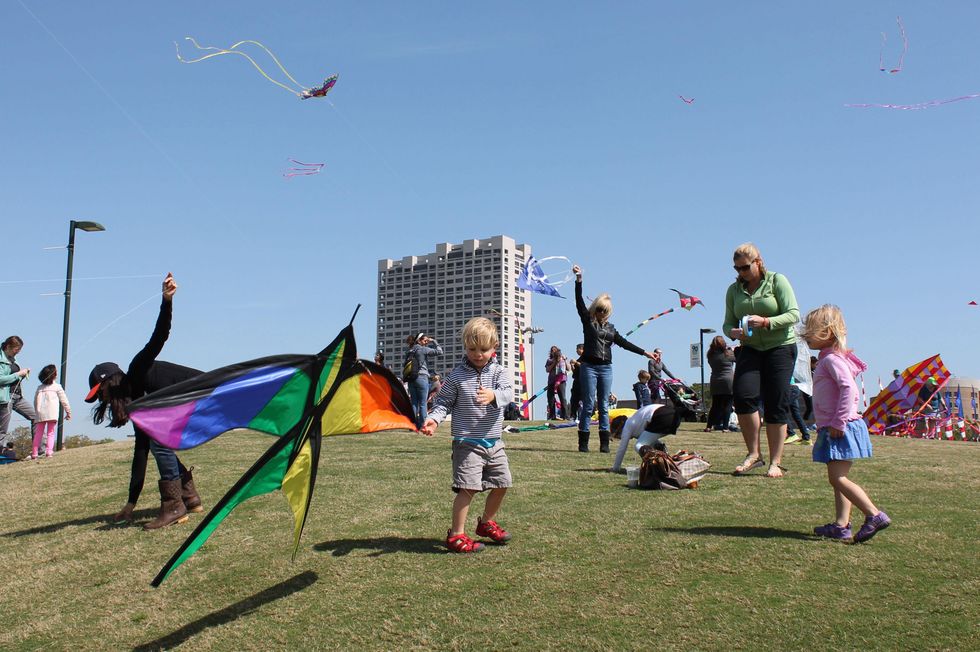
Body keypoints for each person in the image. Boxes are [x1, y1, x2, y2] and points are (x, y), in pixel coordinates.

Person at [87, 273, 204, 529]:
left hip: (204, 394)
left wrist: (167, 300)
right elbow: (140, 453)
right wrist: (131, 503)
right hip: (192, 404)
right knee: (152, 441)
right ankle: (189, 497)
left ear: (109, 383)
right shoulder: (138, 407)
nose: (102, 399)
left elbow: (159, 336)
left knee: (158, 440)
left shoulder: (138, 368)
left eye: (100, 392)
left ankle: (174, 507)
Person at [422, 317, 514, 554]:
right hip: (467, 443)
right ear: (465, 346)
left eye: (483, 349)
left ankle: (486, 523)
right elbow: (443, 402)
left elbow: (508, 394)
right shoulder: (456, 376)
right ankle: (456, 535)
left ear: (494, 347)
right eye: (472, 349)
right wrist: (434, 419)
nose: (477, 354)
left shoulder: (500, 373)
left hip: (494, 442)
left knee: (502, 483)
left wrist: (494, 396)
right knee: (468, 488)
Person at [803, 304, 890, 543]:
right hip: (837, 425)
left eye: (811, 330)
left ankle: (874, 515)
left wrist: (838, 421)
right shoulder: (829, 358)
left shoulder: (832, 360)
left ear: (828, 332)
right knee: (837, 477)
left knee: (837, 478)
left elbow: (848, 389)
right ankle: (841, 525)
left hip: (841, 426)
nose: (806, 334)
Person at [723, 242, 799, 478]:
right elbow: (727, 323)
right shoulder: (733, 290)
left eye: (745, 267)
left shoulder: (777, 281)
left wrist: (766, 322)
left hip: (780, 347)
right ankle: (753, 454)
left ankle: (775, 462)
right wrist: (732, 332)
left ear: (758, 262)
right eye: (737, 268)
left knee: (777, 402)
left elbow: (794, 314)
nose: (741, 272)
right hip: (750, 348)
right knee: (743, 396)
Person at [573, 265, 656, 454]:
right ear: (595, 308)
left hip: (605, 368)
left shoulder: (611, 329)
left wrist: (645, 353)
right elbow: (578, 302)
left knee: (604, 405)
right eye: (599, 309)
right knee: (588, 404)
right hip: (589, 366)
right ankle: (583, 442)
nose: (601, 313)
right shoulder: (588, 321)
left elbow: (625, 343)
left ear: (608, 311)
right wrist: (579, 280)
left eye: (604, 310)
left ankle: (605, 443)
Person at [610, 401, 683, 472]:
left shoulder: (627, 426)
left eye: (618, 436)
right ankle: (666, 462)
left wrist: (616, 468)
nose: (620, 438)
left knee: (639, 445)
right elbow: (649, 437)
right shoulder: (635, 420)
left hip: (661, 416)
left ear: (619, 429)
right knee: (652, 443)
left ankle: (654, 467)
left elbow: (622, 449)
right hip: (674, 416)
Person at [404, 332, 442, 430]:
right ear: (419, 340)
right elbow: (439, 351)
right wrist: (433, 341)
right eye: (425, 340)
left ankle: (412, 426)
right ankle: (423, 425)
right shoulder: (423, 349)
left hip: (411, 378)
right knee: (423, 403)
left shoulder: (409, 351)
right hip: (422, 377)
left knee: (414, 402)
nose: (426, 342)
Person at [32, 365, 71, 459]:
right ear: (54, 375)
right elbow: (64, 400)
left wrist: (36, 411)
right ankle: (49, 452)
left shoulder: (40, 388)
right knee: (51, 432)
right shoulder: (57, 387)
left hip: (40, 413)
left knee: (38, 433)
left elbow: (35, 401)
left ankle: (34, 453)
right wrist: (68, 412)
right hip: (52, 413)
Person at [0, 336, 32, 448]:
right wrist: (18, 374)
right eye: (16, 349)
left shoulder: (13, 358)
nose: (18, 352)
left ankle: (39, 450)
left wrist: (23, 374)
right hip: (5, 397)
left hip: (18, 396)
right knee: (2, 429)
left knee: (36, 417)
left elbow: (14, 376)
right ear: (8, 346)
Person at [706, 335, 735, 432]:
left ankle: (709, 426)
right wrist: (732, 349)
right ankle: (725, 427)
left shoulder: (710, 355)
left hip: (715, 380)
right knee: (728, 405)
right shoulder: (728, 353)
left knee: (715, 405)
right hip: (728, 381)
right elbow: (736, 358)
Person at [544, 346, 568, 420]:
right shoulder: (549, 360)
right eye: (552, 350)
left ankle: (565, 415)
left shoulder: (562, 359)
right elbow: (547, 370)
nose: (553, 351)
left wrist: (564, 360)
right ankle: (552, 415)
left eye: (555, 350)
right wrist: (554, 362)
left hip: (561, 381)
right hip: (551, 381)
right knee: (550, 398)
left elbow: (568, 368)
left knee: (562, 397)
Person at [567, 344, 585, 421]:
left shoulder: (586, 358)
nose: (576, 351)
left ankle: (582, 416)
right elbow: (575, 372)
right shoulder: (578, 359)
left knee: (582, 400)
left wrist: (576, 362)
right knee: (574, 399)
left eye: (578, 349)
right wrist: (572, 366)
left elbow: (585, 367)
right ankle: (573, 416)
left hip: (583, 382)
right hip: (576, 381)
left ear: (582, 349)